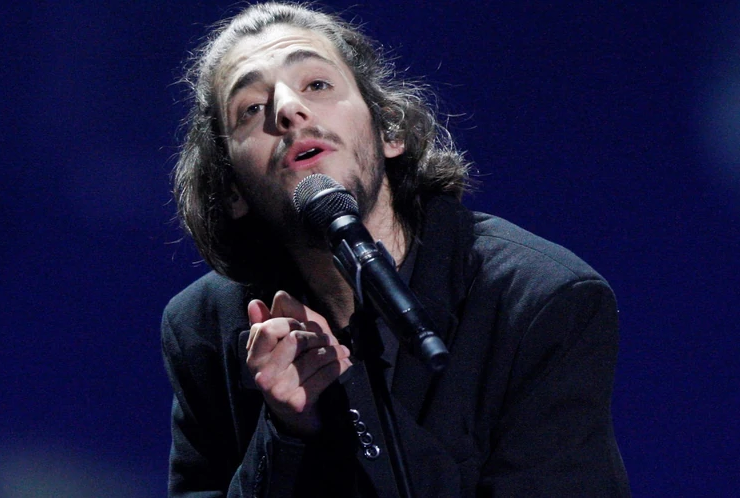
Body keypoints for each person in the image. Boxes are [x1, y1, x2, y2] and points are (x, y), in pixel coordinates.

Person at [161, 2, 631, 496]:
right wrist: (285, 434)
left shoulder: (539, 302)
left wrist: (351, 398)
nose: (287, 109)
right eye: (251, 109)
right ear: (231, 189)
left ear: (389, 130)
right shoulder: (204, 328)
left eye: (317, 84)